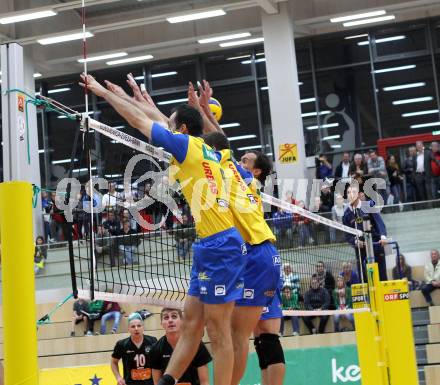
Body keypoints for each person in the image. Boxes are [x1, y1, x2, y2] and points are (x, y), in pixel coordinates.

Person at [82, 74, 246, 385]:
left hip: (222, 246)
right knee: (191, 323)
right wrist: (131, 96)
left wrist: (103, 93)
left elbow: (142, 122)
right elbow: (154, 117)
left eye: (172, 127)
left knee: (217, 331)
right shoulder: (207, 149)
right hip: (208, 245)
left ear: (182, 130)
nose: (167, 130)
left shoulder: (187, 147)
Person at [203, 131, 281, 385]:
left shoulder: (233, 172)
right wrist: (204, 111)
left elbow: (218, 143)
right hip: (258, 255)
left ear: (256, 170)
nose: (241, 160)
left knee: (241, 334)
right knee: (252, 336)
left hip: (255, 253)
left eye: (246, 159)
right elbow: (222, 141)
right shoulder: (244, 175)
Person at [150, 308, 211, 385]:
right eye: (166, 317)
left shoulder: (196, 344)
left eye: (174, 316)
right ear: (161, 324)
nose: (170, 320)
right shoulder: (156, 349)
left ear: (182, 321)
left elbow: (205, 381)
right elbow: (157, 382)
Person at [342, 184, 388, 281]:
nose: (351, 195)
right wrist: (355, 242)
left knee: (381, 277)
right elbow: (348, 235)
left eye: (353, 192)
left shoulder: (368, 206)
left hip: (375, 245)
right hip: (361, 250)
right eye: (348, 193)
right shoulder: (346, 214)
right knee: (366, 279)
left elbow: (379, 223)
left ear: (359, 194)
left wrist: (383, 237)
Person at [111, 313, 158, 385]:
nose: (136, 329)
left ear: (143, 327)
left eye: (139, 326)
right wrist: (118, 378)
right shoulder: (121, 344)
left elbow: (159, 361)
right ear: (128, 329)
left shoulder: (153, 341)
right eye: (133, 326)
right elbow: (114, 362)